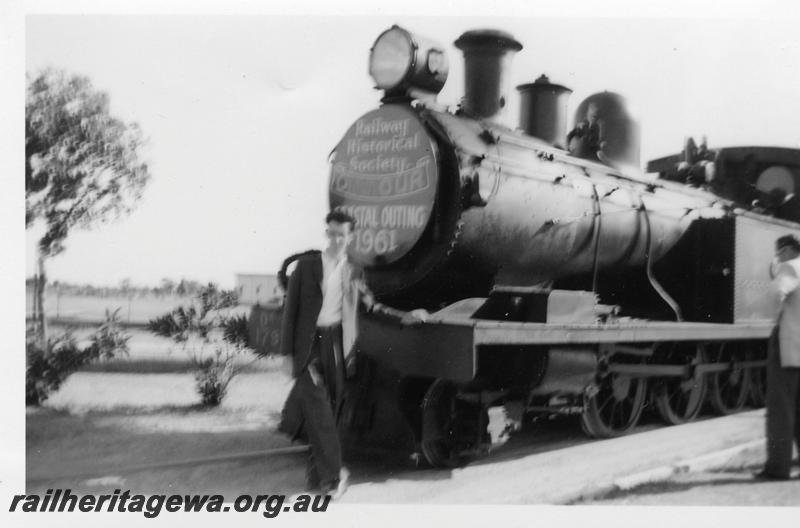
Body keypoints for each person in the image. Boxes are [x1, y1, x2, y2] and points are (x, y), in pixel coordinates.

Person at [277, 209, 427, 498]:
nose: (336, 239)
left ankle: (317, 474)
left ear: (350, 237)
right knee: (319, 410)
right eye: (331, 233)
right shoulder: (306, 267)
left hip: (337, 344)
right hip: (308, 347)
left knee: (330, 412)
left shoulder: (354, 271)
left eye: (341, 235)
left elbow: (370, 307)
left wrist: (404, 317)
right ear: (327, 233)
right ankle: (333, 478)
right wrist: (286, 355)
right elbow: (290, 311)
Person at [755, 233, 800, 480]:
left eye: (779, 252)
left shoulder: (791, 267)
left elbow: (774, 294)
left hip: (790, 348)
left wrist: (776, 315)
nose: (778, 257)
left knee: (781, 408)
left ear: (788, 250)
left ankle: (778, 468)